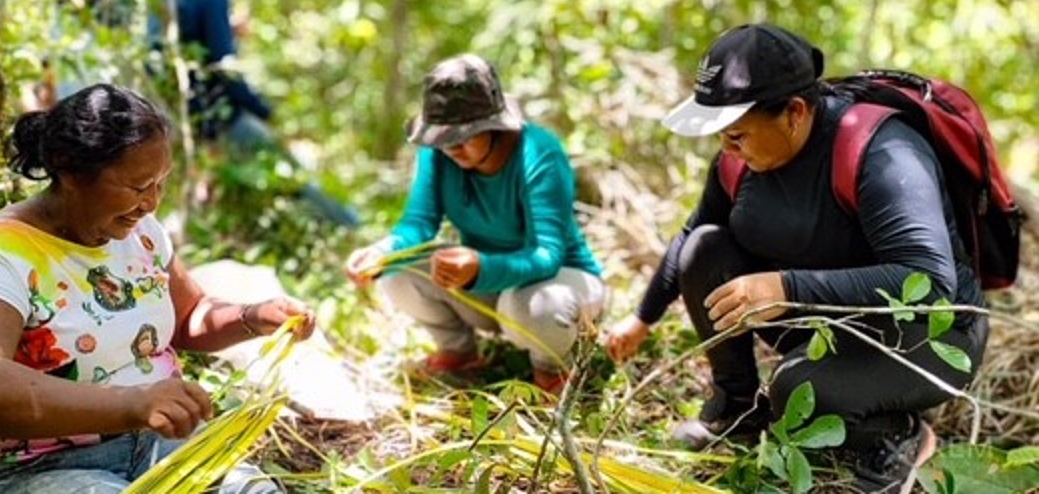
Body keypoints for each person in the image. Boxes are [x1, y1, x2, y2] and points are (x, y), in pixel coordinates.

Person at [603, 24, 989, 492]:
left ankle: (894, 436)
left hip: (929, 335)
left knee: (796, 390)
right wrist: (641, 320)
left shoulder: (881, 151)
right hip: (827, 320)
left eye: (737, 134)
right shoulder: (737, 159)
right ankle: (736, 411)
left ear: (794, 113)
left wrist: (786, 287)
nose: (727, 147)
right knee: (707, 247)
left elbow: (927, 281)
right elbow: (692, 238)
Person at [0, 84, 315, 493]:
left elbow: (190, 317)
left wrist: (253, 317)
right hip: (23, 470)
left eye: (161, 183)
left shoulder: (138, 233)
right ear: (69, 171)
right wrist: (132, 404)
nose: (152, 202)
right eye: (138, 186)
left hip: (153, 448)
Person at [344, 54, 605, 394]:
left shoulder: (539, 153)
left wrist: (480, 267)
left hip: (560, 283)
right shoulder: (437, 152)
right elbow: (418, 224)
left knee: (536, 307)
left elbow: (547, 253)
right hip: (490, 285)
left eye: (463, 136)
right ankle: (458, 352)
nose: (451, 147)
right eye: (442, 137)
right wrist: (381, 252)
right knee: (397, 272)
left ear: (493, 126)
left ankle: (551, 369)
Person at [152, 0, 359, 228]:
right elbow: (225, 68)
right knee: (289, 172)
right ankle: (352, 226)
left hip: (180, 116)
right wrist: (263, 110)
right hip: (219, 115)